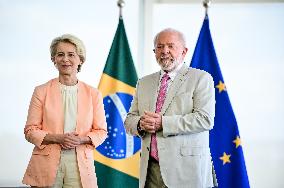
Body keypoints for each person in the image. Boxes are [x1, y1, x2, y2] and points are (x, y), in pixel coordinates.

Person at [124, 28, 217, 188]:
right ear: (154, 51)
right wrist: (140, 124)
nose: (164, 51)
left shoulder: (201, 78)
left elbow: (205, 119)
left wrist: (163, 123)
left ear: (184, 51)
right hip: (150, 171)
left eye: (170, 46)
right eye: (159, 47)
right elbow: (129, 120)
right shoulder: (144, 82)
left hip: (186, 171)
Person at [22, 34, 107, 188]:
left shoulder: (93, 94)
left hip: (80, 166)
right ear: (53, 60)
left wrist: (81, 139)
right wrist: (58, 138)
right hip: (45, 164)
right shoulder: (41, 91)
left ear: (80, 59)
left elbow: (101, 131)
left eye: (71, 55)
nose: (65, 59)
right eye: (60, 54)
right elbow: (30, 131)